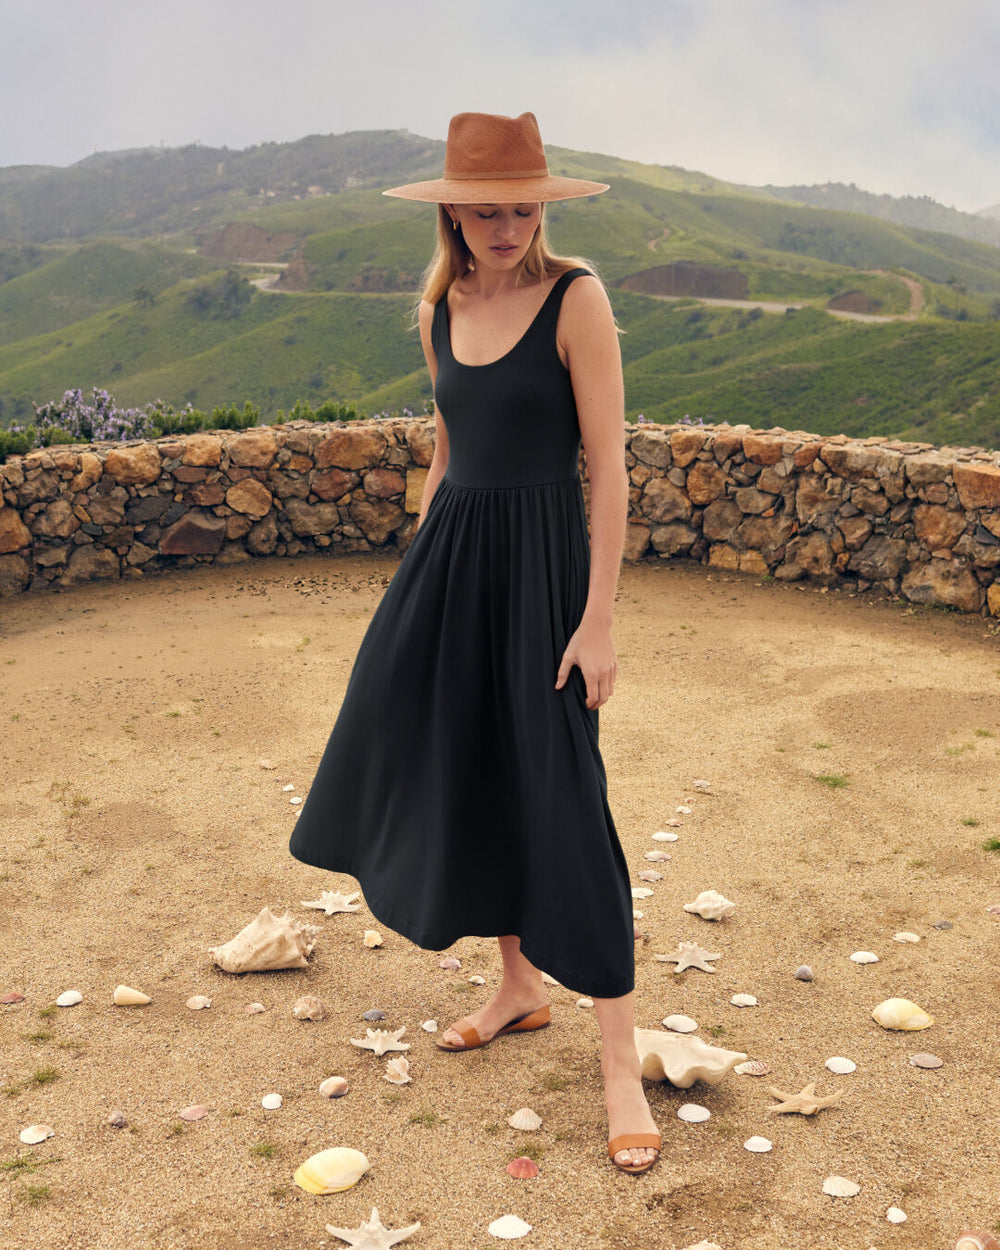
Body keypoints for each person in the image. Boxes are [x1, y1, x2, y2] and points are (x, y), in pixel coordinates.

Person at [289, 111, 660, 1174]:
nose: (506, 226)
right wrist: (422, 583)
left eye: (522, 206)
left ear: (545, 205)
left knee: (563, 792)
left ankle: (620, 1056)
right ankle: (516, 984)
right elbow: (449, 455)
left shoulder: (576, 296)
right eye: (487, 209)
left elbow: (610, 471)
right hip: (453, 566)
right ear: (453, 209)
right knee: (460, 764)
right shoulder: (439, 306)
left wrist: (596, 619)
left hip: (545, 573)